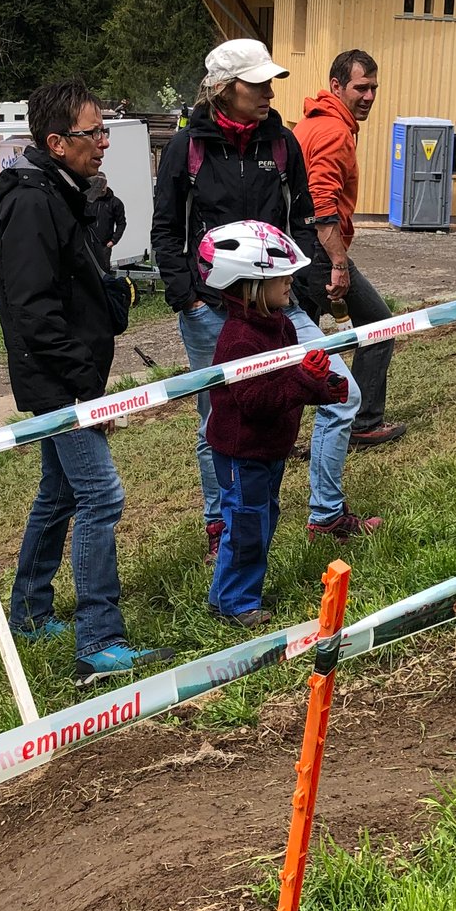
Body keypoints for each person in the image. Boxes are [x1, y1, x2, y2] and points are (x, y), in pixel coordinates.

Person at [153, 38, 379, 550]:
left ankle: (325, 514)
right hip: (210, 311)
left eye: (270, 83)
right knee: (217, 421)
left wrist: (295, 279)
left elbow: (303, 217)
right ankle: (221, 529)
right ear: (223, 89)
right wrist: (187, 298)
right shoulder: (186, 147)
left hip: (282, 308)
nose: (269, 93)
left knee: (342, 394)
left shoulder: (282, 143)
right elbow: (165, 229)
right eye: (256, 84)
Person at [0, 78, 168, 686]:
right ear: (57, 141)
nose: (104, 143)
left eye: (105, 130)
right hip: (59, 381)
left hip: (71, 373)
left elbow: (75, 282)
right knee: (101, 497)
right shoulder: (30, 203)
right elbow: (33, 311)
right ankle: (99, 642)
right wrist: (87, 387)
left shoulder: (63, 192)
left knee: (60, 493)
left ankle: (29, 613)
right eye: (94, 132)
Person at [198, 222, 349, 627]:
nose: (290, 281)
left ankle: (229, 594)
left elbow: (287, 383)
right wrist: (304, 380)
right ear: (250, 284)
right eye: (281, 276)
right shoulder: (239, 340)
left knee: (261, 521)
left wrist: (322, 388)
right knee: (246, 526)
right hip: (242, 453)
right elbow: (257, 402)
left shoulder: (280, 324)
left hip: (269, 448)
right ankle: (235, 604)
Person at [293, 48, 405, 450]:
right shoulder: (334, 132)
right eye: (361, 87)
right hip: (319, 253)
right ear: (337, 86)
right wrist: (338, 263)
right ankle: (364, 422)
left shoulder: (310, 124)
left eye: (374, 88)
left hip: (296, 252)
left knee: (297, 349)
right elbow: (322, 201)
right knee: (379, 327)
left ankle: (280, 437)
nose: (369, 96)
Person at [85, 171, 126, 266]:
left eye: (104, 183)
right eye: (99, 183)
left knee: (103, 270)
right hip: (88, 245)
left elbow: (121, 223)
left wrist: (113, 241)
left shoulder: (115, 203)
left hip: (104, 246)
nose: (102, 186)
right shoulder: (88, 201)